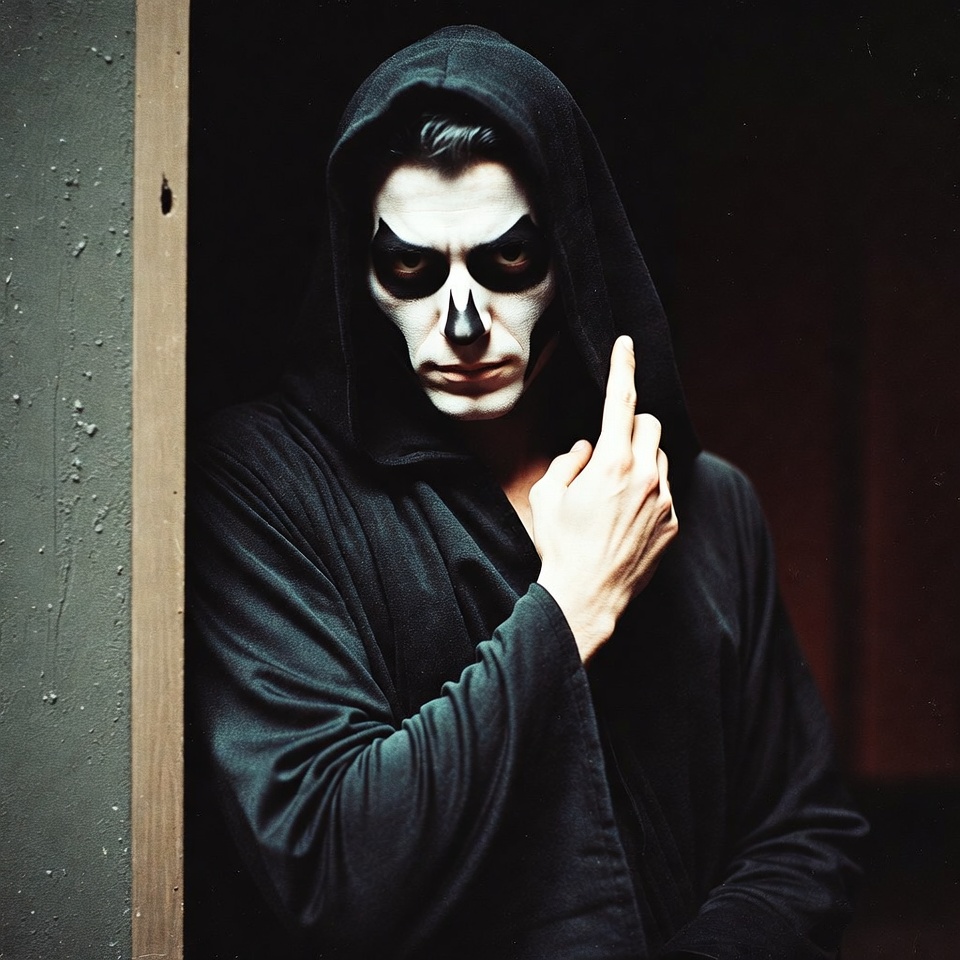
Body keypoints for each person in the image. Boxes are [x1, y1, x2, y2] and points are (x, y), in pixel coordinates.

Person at [186, 25, 866, 959]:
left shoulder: (705, 502)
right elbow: (330, 859)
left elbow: (809, 834)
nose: (463, 322)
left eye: (507, 261)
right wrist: (573, 603)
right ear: (359, 271)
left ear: (572, 256)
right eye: (412, 268)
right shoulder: (269, 487)